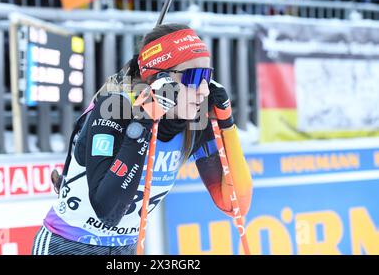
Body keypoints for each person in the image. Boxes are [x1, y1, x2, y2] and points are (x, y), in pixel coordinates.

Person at [32, 23, 253, 255]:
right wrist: (143, 122)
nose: (204, 90)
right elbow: (108, 211)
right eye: (194, 77)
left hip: (125, 249)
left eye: (208, 76)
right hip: (66, 244)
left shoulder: (194, 122)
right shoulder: (115, 109)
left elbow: (235, 204)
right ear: (161, 80)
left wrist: (227, 125)